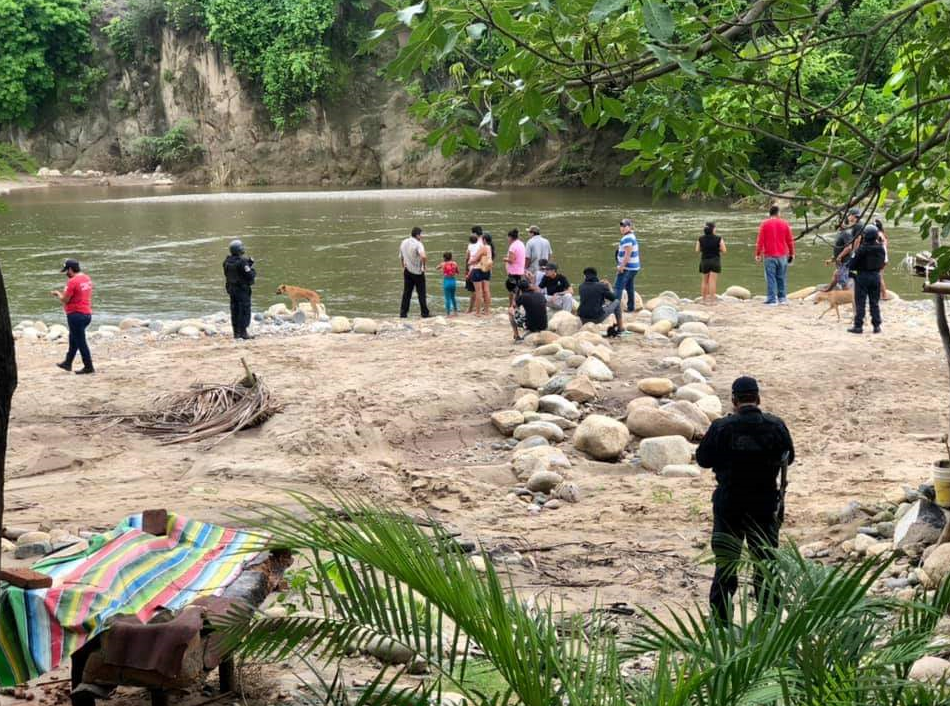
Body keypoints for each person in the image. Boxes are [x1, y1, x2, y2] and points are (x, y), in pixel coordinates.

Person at [696, 376, 795, 622]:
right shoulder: (776, 426)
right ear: (758, 399)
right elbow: (789, 457)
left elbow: (703, 460)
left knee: (726, 564)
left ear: (734, 400)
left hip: (730, 503)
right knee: (766, 565)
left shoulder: (721, 427)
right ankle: (769, 622)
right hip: (764, 504)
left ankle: (721, 624)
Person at [51, 258, 95, 374]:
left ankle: (89, 367)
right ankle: (68, 362)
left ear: (70, 269)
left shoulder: (72, 282)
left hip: (76, 315)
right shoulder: (86, 278)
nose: (66, 273)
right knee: (73, 338)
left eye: (66, 271)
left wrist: (58, 294)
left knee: (81, 342)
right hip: (87, 314)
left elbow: (65, 300)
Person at [841, 224, 886, 334]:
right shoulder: (881, 248)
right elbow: (882, 263)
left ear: (865, 236)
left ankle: (858, 326)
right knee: (874, 302)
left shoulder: (861, 249)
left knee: (860, 302)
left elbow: (852, 265)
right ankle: (876, 326)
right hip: (876, 276)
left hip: (863, 277)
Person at [755, 205, 795, 305]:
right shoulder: (785, 223)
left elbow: (760, 241)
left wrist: (758, 253)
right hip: (782, 255)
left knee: (771, 278)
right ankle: (782, 298)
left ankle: (772, 299)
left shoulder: (764, 224)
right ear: (778, 213)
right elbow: (789, 240)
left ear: (770, 213)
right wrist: (792, 253)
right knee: (781, 277)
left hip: (769, 255)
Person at [223, 239, 256, 340]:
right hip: (242, 290)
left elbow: (235, 271)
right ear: (239, 250)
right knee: (244, 310)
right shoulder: (242, 262)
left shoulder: (226, 261)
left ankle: (236, 333)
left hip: (232, 289)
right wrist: (251, 269)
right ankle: (243, 333)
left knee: (235, 310)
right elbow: (249, 275)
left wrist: (248, 264)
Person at [823, 207, 861, 291]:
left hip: (844, 261)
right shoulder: (841, 233)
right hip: (841, 260)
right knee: (836, 275)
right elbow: (839, 248)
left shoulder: (846, 233)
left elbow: (849, 247)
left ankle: (848, 296)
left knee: (843, 280)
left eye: (839, 223)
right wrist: (832, 259)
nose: (836, 225)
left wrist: (840, 256)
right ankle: (828, 290)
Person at [399, 226, 430, 318]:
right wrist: (423, 266)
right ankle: (424, 313)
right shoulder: (418, 244)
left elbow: (401, 256)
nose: (422, 236)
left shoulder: (404, 242)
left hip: (407, 270)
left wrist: (403, 266)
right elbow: (423, 256)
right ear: (417, 235)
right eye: (421, 234)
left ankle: (403, 313)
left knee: (406, 293)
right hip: (418, 272)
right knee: (421, 293)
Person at [697, 221, 726, 304]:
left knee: (704, 281)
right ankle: (712, 301)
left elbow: (697, 250)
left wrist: (704, 248)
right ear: (713, 229)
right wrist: (717, 249)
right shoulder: (719, 238)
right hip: (715, 261)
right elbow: (724, 250)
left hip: (704, 261)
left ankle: (704, 300)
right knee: (712, 281)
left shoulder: (700, 238)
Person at [615, 218, 640, 313]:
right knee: (629, 287)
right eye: (621, 226)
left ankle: (615, 309)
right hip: (634, 267)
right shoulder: (631, 236)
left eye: (625, 226)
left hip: (627, 267)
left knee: (618, 287)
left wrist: (621, 267)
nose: (622, 228)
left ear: (629, 227)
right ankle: (630, 308)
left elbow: (627, 254)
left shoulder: (627, 238)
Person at [468, 231, 493, 316]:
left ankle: (478, 312)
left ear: (484, 240)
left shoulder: (483, 248)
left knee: (478, 292)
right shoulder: (490, 247)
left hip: (478, 270)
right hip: (486, 270)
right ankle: (487, 311)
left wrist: (470, 262)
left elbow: (474, 259)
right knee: (487, 290)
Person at [504, 228, 526, 306]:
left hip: (513, 271)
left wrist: (505, 259)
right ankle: (517, 305)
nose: (507, 239)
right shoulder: (521, 244)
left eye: (508, 237)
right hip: (520, 270)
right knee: (518, 290)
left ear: (510, 237)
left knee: (511, 290)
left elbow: (511, 260)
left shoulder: (513, 246)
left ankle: (511, 306)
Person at [437, 251, 460, 316]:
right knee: (453, 297)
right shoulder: (455, 263)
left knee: (447, 299)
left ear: (444, 258)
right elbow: (458, 272)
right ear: (451, 257)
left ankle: (448, 314)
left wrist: (441, 266)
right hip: (453, 281)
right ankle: (455, 312)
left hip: (446, 281)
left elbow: (436, 268)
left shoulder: (443, 264)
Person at [465, 227, 482, 313]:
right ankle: (481, 308)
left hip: (473, 269)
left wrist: (466, 270)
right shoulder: (482, 244)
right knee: (480, 290)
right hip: (481, 269)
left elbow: (467, 258)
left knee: (474, 291)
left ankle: (472, 309)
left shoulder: (470, 246)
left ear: (475, 234)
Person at [874, 218, 890, 299]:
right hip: (884, 258)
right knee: (879, 276)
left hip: (881, 258)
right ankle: (881, 293)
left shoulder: (878, 235)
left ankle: (884, 295)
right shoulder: (883, 234)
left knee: (879, 277)